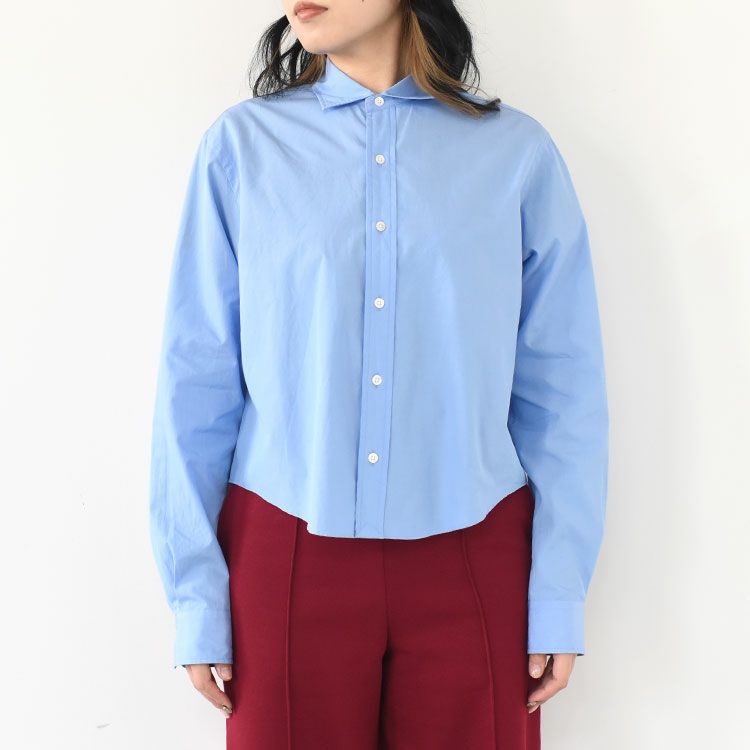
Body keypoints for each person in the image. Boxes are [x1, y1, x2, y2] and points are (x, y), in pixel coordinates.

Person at [148, 1, 609, 747]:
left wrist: (558, 590)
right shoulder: (242, 148)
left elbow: (562, 386)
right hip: (285, 546)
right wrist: (197, 598)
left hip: (476, 548)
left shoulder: (516, 153)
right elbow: (195, 380)